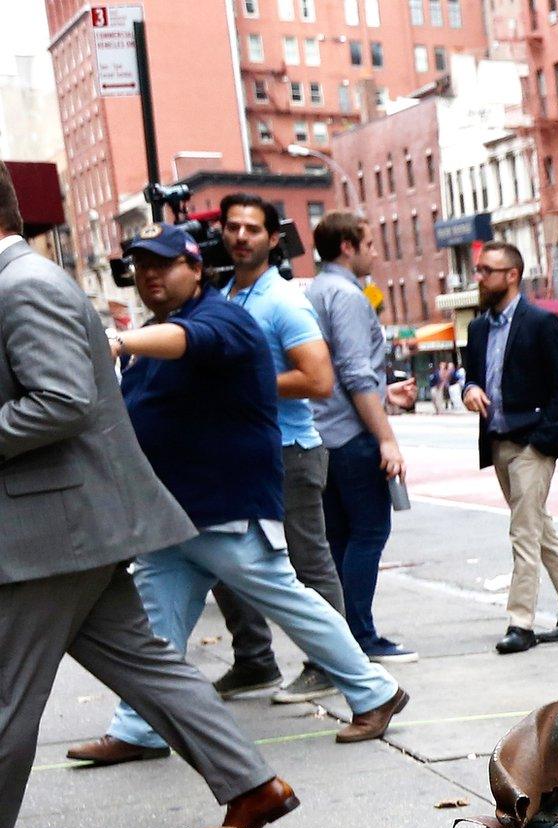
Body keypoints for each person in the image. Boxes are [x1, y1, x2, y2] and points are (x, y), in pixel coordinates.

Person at [0, 177, 296, 828]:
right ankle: (251, 783)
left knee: (6, 698)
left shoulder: (23, 287)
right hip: (68, 526)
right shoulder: (26, 283)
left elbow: (63, 401)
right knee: (147, 662)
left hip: (51, 532)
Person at [61, 224, 408, 772]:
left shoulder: (220, 319)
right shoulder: (162, 333)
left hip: (225, 503)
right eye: (142, 266)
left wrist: (119, 340)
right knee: (156, 624)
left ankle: (375, 691)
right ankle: (138, 727)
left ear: (196, 269)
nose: (151, 274)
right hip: (174, 511)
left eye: (164, 263)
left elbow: (190, 343)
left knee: (284, 595)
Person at [204, 193, 347, 709]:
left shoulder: (283, 300)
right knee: (220, 559)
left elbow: (319, 378)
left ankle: (328, 666)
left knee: (309, 563)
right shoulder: (224, 296)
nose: (241, 236)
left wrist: (245, 383)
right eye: (233, 227)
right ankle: (254, 661)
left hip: (290, 450)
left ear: (272, 239)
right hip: (238, 454)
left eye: (253, 229)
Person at [460, 241, 558, 654]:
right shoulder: (478, 328)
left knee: (523, 531)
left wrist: (542, 439)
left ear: (512, 275)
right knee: (539, 527)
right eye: (479, 270)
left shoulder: (540, 322)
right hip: (497, 442)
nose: (479, 277)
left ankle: (521, 622)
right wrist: (469, 389)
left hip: (532, 445)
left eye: (487, 270)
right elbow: (472, 376)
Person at [303, 211, 415, 663]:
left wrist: (382, 394)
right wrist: (386, 437)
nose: (375, 251)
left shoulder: (315, 291)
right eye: (369, 243)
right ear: (347, 247)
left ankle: (343, 636)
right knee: (368, 533)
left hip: (324, 433)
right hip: (350, 437)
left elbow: (337, 371)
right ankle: (360, 635)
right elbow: (354, 372)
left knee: (339, 539)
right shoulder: (346, 295)